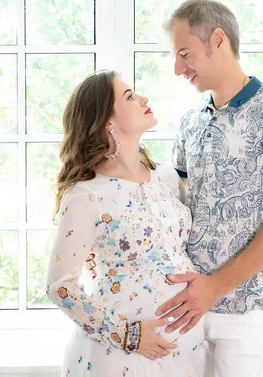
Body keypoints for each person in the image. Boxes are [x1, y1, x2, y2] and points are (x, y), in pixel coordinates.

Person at [150, 0, 263, 377]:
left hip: (246, 309)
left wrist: (215, 287)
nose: (177, 68)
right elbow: (174, 208)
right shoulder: (190, 122)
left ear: (218, 40)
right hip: (184, 305)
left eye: (184, 54)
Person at [46, 70, 207, 377]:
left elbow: (209, 232)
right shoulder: (86, 195)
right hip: (121, 358)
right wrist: (130, 335)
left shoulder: (167, 177)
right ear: (107, 121)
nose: (143, 99)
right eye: (130, 96)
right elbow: (59, 287)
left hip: (186, 355)